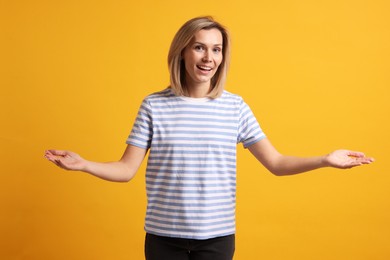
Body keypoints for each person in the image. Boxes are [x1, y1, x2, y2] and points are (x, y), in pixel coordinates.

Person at [45, 16, 374, 260]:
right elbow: (126, 169)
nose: (208, 58)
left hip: (217, 240)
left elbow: (276, 163)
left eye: (216, 49)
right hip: (163, 239)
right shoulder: (154, 106)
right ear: (182, 52)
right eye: (199, 47)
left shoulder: (234, 107)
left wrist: (325, 160)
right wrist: (84, 164)